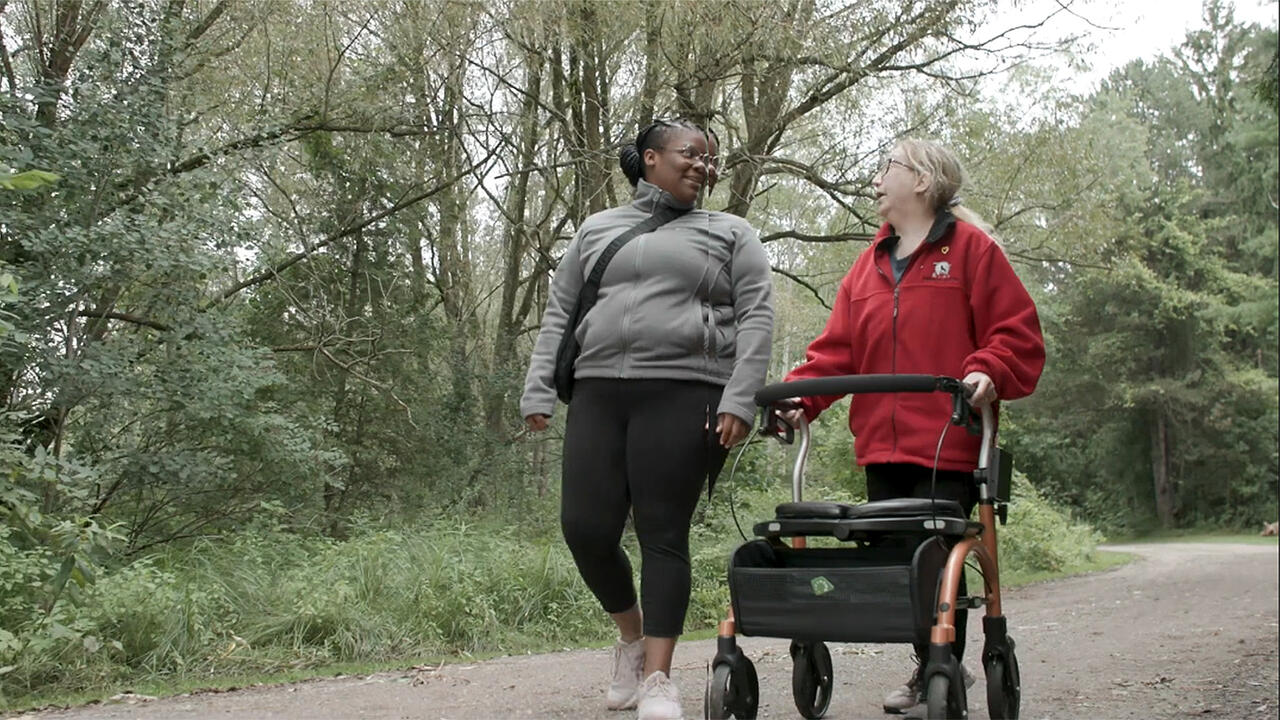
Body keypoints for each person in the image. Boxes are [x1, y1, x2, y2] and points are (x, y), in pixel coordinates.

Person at [780, 138, 1045, 715]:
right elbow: (837, 353)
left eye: (886, 168)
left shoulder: (972, 251)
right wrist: (802, 399)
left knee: (934, 562)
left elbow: (1017, 335)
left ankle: (939, 667)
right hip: (882, 445)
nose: (875, 179)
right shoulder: (869, 264)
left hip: (947, 442)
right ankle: (931, 664)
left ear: (922, 180)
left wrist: (986, 371)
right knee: (900, 563)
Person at [521, 118, 774, 720]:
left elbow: (758, 317)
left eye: (711, 161)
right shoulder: (598, 228)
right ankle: (631, 640)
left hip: (686, 392)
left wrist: (741, 398)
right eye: (691, 154)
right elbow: (561, 311)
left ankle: (659, 679)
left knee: (663, 533)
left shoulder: (731, 232)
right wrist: (538, 388)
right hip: (599, 391)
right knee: (585, 528)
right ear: (651, 157)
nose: (703, 166)